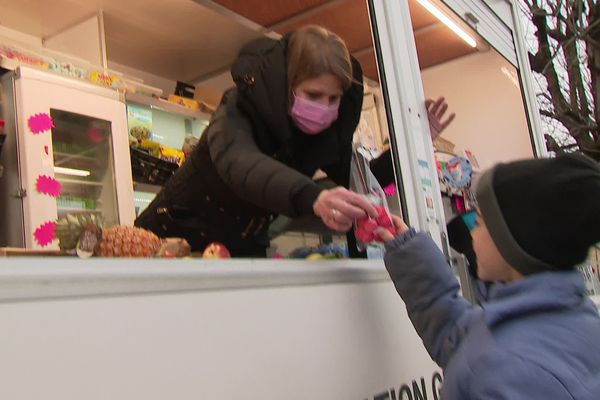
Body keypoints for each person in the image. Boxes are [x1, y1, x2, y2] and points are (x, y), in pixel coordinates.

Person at [136, 25, 378, 257]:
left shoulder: (319, 135)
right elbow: (241, 162)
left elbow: (355, 179)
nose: (323, 108)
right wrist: (312, 196)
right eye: (313, 95)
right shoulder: (237, 109)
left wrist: (394, 174)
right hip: (169, 238)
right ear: (287, 84)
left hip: (240, 243)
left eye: (333, 98)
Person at [377, 153, 600, 399]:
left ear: (512, 244)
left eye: (480, 221)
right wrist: (408, 248)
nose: (472, 231)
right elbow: (456, 334)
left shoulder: (507, 370)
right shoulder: (572, 319)